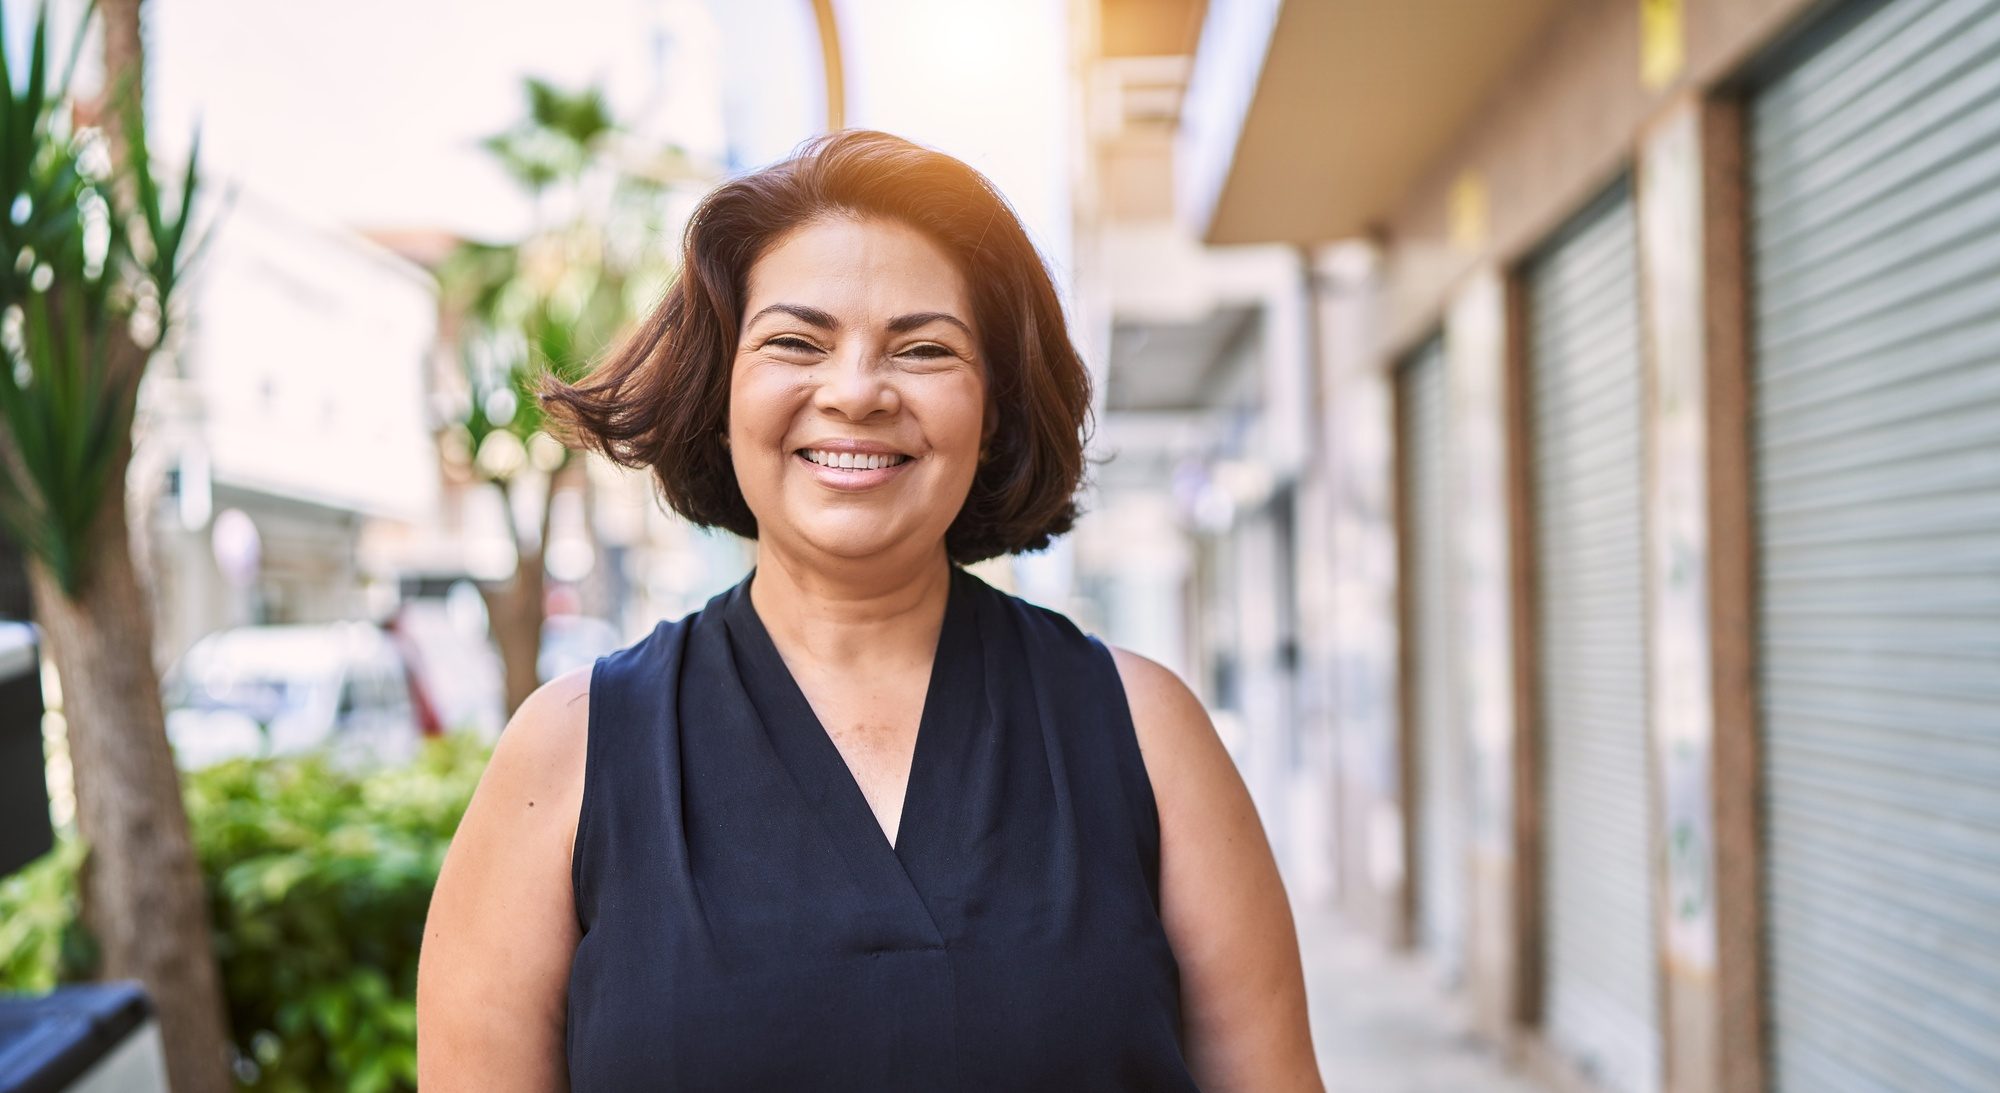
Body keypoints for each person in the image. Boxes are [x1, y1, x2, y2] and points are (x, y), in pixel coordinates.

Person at [416, 129, 1322, 1091]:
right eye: (796, 342)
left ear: (995, 407)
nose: (855, 391)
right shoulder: (568, 751)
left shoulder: (1145, 732)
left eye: (924, 348)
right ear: (720, 389)